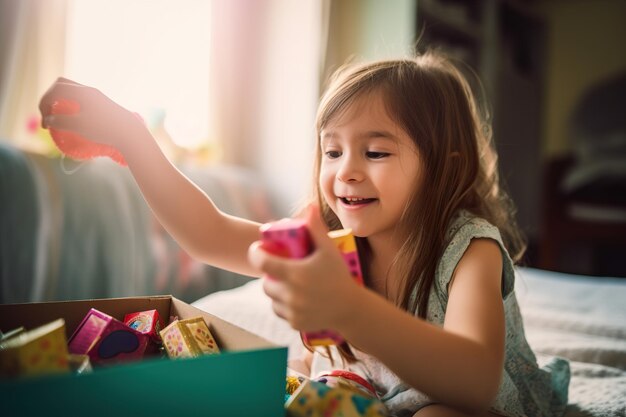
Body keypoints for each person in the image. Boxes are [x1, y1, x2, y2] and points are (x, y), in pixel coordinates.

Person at [40, 51, 569, 417]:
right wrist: (135, 139)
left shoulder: (469, 247)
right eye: (332, 151)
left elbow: (475, 382)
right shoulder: (327, 237)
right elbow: (210, 233)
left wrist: (348, 308)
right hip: (371, 393)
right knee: (305, 387)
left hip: (471, 404)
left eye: (376, 152)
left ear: (445, 168)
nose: (346, 173)